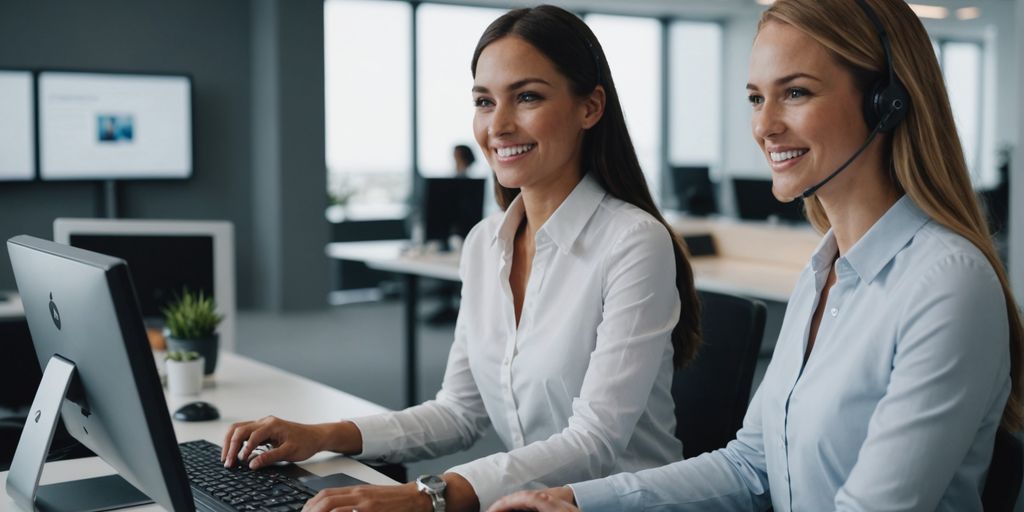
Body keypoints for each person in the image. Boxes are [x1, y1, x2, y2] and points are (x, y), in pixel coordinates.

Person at [488, 0, 1023, 510]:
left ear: (886, 103)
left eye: (795, 93)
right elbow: (752, 465)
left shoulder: (946, 284)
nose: (765, 126)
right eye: (755, 98)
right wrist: (579, 500)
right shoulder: (823, 272)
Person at [220, 5, 702, 512]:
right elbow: (459, 412)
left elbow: (594, 440)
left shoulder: (632, 242)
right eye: (484, 102)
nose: (499, 125)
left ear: (590, 107)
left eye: (528, 97)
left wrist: (427, 496)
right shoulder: (484, 243)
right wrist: (321, 435)